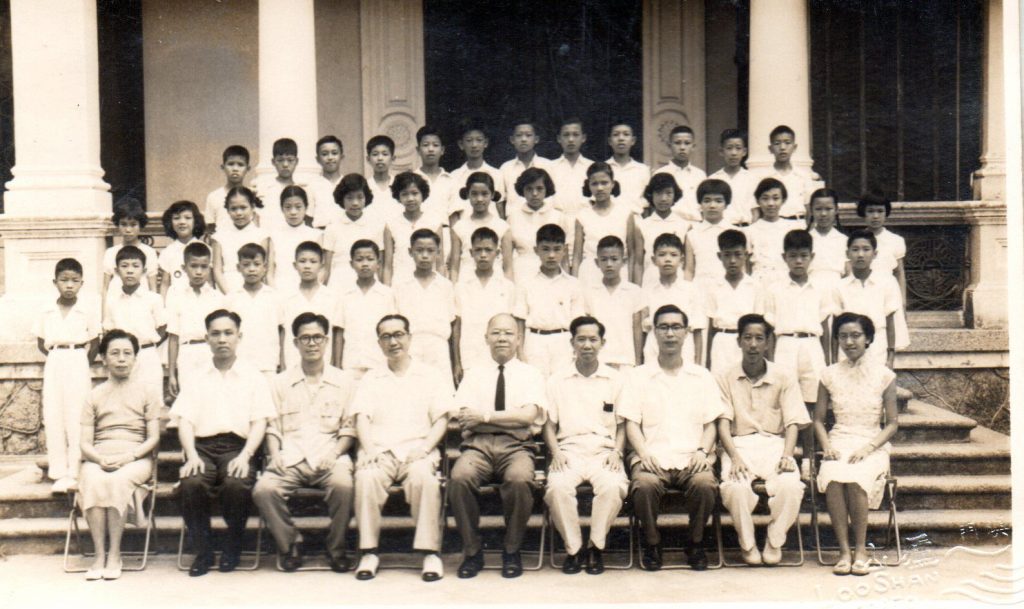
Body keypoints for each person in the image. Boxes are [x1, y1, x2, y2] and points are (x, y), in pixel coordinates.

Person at [170, 309, 276, 577]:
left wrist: (246, 455)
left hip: (237, 448)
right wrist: (191, 455)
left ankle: (233, 545)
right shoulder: (196, 376)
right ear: (206, 338)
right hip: (202, 448)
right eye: (215, 334)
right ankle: (203, 551)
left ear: (239, 336)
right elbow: (185, 421)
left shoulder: (253, 376)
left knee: (236, 484)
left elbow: (260, 422)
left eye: (228, 333)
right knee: (191, 483)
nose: (222, 339)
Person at [617, 304, 722, 571]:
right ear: (654, 332)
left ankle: (695, 542)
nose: (670, 334)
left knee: (704, 484)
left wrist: (702, 451)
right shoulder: (638, 376)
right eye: (663, 327)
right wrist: (643, 453)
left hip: (691, 455)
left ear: (686, 332)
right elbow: (631, 423)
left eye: (676, 327)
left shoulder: (701, 376)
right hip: (652, 455)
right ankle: (652, 542)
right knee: (644, 485)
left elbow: (711, 423)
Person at [350, 314, 452, 582]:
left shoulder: (430, 375)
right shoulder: (371, 378)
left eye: (398, 335)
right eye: (386, 337)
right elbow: (361, 417)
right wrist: (369, 449)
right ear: (379, 343)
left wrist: (426, 448)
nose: (393, 342)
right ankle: (368, 552)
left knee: (424, 480)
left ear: (409, 337)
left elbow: (442, 419)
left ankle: (430, 553)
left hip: (418, 449)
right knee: (366, 477)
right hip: (380, 451)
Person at [252, 312, 357, 573]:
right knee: (264, 489)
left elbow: (349, 427)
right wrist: (275, 454)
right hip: (291, 456)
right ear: (295, 343)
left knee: (344, 485)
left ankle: (336, 548)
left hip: (330, 455)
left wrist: (335, 453)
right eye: (305, 338)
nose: (312, 343)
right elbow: (273, 426)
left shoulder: (344, 381)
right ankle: (290, 544)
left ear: (326, 341)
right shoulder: (279, 382)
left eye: (317, 337)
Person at [449, 313, 548, 579]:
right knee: (459, 477)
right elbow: (465, 422)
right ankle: (472, 551)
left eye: (508, 333)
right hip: (478, 446)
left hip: (517, 447)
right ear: (486, 338)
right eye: (496, 333)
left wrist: (484, 417)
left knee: (519, 479)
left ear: (519, 338)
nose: (502, 338)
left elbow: (528, 417)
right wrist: (510, 421)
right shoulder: (474, 374)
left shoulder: (531, 374)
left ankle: (511, 549)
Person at [716, 314, 809, 565]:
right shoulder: (724, 376)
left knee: (791, 485)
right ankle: (747, 543)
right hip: (739, 444)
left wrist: (787, 455)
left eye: (759, 338)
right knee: (735, 488)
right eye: (747, 338)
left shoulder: (784, 376)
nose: (753, 344)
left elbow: (792, 421)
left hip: (775, 444)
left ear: (768, 343)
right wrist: (734, 457)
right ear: (739, 341)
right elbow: (723, 422)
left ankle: (775, 540)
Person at [814, 312, 899, 576]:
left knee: (857, 477)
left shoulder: (885, 375)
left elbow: (892, 424)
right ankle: (843, 551)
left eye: (855, 335)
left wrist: (868, 448)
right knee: (834, 476)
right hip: (839, 440)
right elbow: (818, 420)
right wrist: (827, 446)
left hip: (871, 442)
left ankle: (860, 550)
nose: (849, 342)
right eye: (843, 336)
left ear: (868, 338)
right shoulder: (828, 374)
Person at [542, 316, 628, 575]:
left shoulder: (615, 379)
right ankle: (574, 549)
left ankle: (595, 547)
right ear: (572, 343)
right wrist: (556, 452)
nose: (587, 345)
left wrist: (617, 452)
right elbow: (548, 424)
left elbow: (622, 424)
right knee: (557, 487)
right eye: (581, 339)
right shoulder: (557, 380)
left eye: (593, 339)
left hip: (604, 451)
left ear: (602, 343)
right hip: (568, 449)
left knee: (612, 486)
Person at [76, 330, 161, 580]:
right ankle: (99, 555)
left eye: (127, 353)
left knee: (118, 480)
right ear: (103, 358)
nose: (121, 359)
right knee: (92, 479)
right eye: (114, 353)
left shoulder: (147, 392)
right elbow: (85, 443)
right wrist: (98, 459)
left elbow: (153, 438)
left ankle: (114, 554)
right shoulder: (94, 395)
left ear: (135, 358)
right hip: (99, 455)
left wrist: (130, 456)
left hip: (136, 456)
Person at [33, 258, 101, 493]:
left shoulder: (86, 310)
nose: (69, 285)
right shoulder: (46, 310)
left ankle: (75, 470)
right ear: (55, 282)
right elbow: (41, 342)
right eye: (64, 280)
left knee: (76, 414)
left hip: (78, 358)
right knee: (53, 414)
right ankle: (58, 471)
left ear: (82, 283)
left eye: (74, 280)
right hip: (55, 359)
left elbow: (95, 342)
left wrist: (80, 361)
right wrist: (57, 356)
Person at [513, 223, 585, 376]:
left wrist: (576, 351)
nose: (551, 255)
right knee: (535, 384)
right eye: (545, 249)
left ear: (564, 250)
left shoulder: (573, 284)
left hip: (564, 342)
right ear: (536, 250)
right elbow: (520, 320)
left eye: (557, 249)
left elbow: (578, 322)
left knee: (562, 385)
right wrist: (520, 352)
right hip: (535, 341)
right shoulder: (526, 283)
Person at [394, 229, 458, 388]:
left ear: (438, 253)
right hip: (411, 346)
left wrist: (455, 361)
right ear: (410, 252)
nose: (424, 255)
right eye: (419, 250)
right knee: (411, 390)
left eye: (430, 251)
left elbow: (452, 322)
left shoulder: (445, 285)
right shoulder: (401, 284)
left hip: (438, 347)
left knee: (441, 391)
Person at [833, 230, 905, 368]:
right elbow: (836, 325)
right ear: (847, 254)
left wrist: (890, 357)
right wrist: (834, 359)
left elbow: (890, 321)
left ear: (875, 254)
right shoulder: (839, 286)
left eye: (866, 249)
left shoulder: (886, 283)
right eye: (855, 249)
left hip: (877, 347)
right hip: (848, 347)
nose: (860, 254)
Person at [103, 246, 166, 391]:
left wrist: (147, 345)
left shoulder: (154, 299)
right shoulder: (112, 301)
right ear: (116, 271)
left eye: (135, 266)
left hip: (147, 356)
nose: (130, 271)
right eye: (124, 266)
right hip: (122, 358)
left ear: (144, 271)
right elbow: (109, 331)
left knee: (150, 397)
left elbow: (163, 328)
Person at [166, 242, 225, 397]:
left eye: (204, 267)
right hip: (187, 353)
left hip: (210, 352)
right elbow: (173, 337)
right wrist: (171, 374)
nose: (199, 272)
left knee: (212, 397)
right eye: (193, 266)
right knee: (189, 398)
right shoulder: (175, 294)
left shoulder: (216, 297)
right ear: (184, 268)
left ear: (209, 268)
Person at [454, 227, 516, 368]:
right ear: (471, 253)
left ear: (497, 253)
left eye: (488, 250)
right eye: (478, 250)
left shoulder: (507, 287)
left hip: (499, 356)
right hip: (469, 353)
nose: (483, 255)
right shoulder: (461, 287)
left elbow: (513, 326)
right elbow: (457, 327)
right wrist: (457, 362)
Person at [333, 240, 397, 377]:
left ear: (378, 263)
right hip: (351, 364)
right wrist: (337, 366)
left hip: (380, 364)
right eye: (359, 259)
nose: (365, 264)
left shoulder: (387, 295)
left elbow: (393, 330)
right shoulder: (344, 295)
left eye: (370, 259)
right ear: (351, 264)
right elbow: (339, 331)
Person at [641, 233, 705, 366]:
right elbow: (643, 330)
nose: (667, 259)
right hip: (654, 348)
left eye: (673, 255)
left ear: (682, 260)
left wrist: (698, 364)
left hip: (684, 349)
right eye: (662, 254)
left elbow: (698, 330)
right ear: (653, 259)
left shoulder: (691, 290)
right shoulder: (647, 291)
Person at [582, 236, 645, 368]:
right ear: (597, 262)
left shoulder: (634, 291)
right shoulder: (589, 292)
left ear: (624, 261)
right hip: (598, 360)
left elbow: (637, 329)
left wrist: (638, 361)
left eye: (614, 259)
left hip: (626, 360)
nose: (609, 264)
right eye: (604, 259)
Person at [703, 229, 760, 374]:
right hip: (721, 342)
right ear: (719, 256)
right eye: (727, 255)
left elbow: (759, 324)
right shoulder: (713, 286)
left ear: (746, 255)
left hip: (746, 342)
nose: (733, 261)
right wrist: (708, 361)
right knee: (720, 381)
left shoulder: (755, 286)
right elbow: (710, 327)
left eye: (738, 254)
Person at [225, 243, 284, 380]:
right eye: (246, 265)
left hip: (268, 364)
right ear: (238, 268)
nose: (252, 269)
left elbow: (281, 330)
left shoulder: (274, 297)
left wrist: (281, 361)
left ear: (265, 267)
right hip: (239, 364)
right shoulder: (231, 298)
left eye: (257, 264)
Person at [572, 161, 637, 287]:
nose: (600, 188)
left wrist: (630, 283)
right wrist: (574, 286)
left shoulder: (625, 213)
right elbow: (576, 256)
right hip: (590, 273)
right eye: (594, 184)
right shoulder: (582, 216)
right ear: (589, 186)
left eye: (604, 183)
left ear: (613, 184)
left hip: (618, 271)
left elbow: (631, 254)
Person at [858, 194, 910, 350]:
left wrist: (903, 302)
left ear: (886, 213)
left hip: (888, 290)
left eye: (880, 211)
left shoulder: (895, 240)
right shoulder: (858, 239)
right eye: (870, 211)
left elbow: (899, 272)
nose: (875, 216)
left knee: (889, 336)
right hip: (866, 290)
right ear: (863, 213)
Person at [279, 241, 341, 370]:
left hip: (324, 363)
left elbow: (336, 333)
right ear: (295, 265)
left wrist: (336, 364)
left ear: (321, 266)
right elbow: (282, 332)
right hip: (292, 362)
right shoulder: (285, 297)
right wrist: (282, 363)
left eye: (313, 262)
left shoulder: (332, 297)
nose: (307, 266)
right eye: (302, 261)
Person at [323, 174, 390, 287]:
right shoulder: (332, 228)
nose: (355, 203)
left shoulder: (376, 226)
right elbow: (326, 268)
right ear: (342, 199)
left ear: (366, 198)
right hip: (339, 284)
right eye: (349, 198)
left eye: (360, 197)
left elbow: (380, 266)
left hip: (368, 284)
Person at [507, 167, 570, 282]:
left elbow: (564, 257)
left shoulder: (558, 217)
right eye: (529, 189)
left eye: (539, 188)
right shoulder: (513, 218)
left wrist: (566, 282)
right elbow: (507, 258)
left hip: (552, 275)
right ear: (522, 190)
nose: (534, 193)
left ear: (547, 189)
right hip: (521, 274)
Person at [449, 172, 512, 282]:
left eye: (484, 194)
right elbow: (454, 267)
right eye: (474, 194)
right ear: (467, 194)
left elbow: (508, 268)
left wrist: (510, 289)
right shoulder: (459, 227)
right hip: (467, 283)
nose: (479, 199)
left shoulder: (502, 227)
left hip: (495, 283)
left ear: (492, 194)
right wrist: (454, 287)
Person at [385, 172, 447, 282]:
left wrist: (441, 287)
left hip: (428, 283)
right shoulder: (391, 224)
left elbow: (440, 263)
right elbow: (388, 267)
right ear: (398, 196)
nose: (410, 198)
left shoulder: (434, 222)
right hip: (400, 283)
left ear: (422, 194)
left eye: (415, 193)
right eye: (404, 194)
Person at [211, 186, 273, 294]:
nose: (238, 213)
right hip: (227, 289)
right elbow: (217, 270)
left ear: (252, 207)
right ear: (227, 210)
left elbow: (263, 270)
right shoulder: (219, 236)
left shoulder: (262, 236)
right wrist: (230, 296)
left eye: (243, 207)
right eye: (233, 208)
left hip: (255, 290)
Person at [634, 173, 691, 285]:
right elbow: (638, 263)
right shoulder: (642, 225)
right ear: (651, 195)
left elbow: (688, 265)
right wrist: (638, 289)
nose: (663, 198)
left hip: (677, 283)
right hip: (650, 282)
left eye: (668, 193)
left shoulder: (685, 225)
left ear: (675, 194)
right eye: (658, 193)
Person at [756, 125, 819, 220]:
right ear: (770, 148)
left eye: (787, 143)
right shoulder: (763, 177)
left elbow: (809, 207)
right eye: (777, 143)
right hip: (773, 224)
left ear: (794, 147)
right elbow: (758, 208)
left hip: (798, 223)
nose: (782, 147)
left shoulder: (803, 175)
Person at [102, 198, 158, 305]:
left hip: (141, 303)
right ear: (118, 225)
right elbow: (105, 288)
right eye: (123, 224)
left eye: (133, 225)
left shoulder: (149, 252)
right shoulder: (110, 252)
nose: (128, 230)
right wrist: (104, 313)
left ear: (140, 225)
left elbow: (153, 287)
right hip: (116, 302)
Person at [745, 178, 801, 285]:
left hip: (786, 280)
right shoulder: (750, 231)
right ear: (757, 201)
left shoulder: (792, 228)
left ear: (783, 200)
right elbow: (747, 265)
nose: (770, 203)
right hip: (760, 281)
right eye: (765, 198)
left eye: (775, 198)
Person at [684, 179, 736, 286]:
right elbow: (689, 270)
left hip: (728, 287)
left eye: (718, 201)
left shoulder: (736, 232)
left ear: (726, 204)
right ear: (700, 204)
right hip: (701, 288)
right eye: (707, 201)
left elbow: (742, 269)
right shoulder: (692, 234)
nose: (712, 205)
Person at [449, 122, 505, 220]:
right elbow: (454, 212)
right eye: (469, 140)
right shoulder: (454, 176)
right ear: (461, 144)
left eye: (479, 140)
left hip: (491, 227)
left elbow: (500, 208)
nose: (474, 145)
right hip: (464, 227)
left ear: (485, 143)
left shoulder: (497, 174)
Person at [270, 186, 322, 290]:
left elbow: (321, 271)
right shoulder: (274, 235)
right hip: (280, 289)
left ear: (306, 207)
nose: (293, 212)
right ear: (281, 208)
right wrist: (275, 292)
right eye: (288, 207)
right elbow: (269, 272)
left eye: (298, 207)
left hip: (307, 290)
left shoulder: (316, 235)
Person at [252, 138, 308, 233]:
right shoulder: (262, 189)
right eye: (280, 160)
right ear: (273, 161)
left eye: (290, 160)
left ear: (296, 161)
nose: (285, 164)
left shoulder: (303, 190)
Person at [652, 125, 706, 222]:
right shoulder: (660, 173)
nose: (682, 147)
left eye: (687, 143)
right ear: (669, 146)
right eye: (677, 143)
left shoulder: (700, 175)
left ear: (693, 146)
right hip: (670, 223)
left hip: (695, 223)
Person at [500, 120, 551, 216]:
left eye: (528, 135)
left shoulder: (547, 165)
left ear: (536, 139)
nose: (523, 139)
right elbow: (501, 200)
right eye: (519, 135)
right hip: (514, 220)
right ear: (512, 140)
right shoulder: (505, 168)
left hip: (544, 219)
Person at [709, 129, 757, 226]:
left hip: (745, 228)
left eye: (738, 148)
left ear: (744, 151)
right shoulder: (712, 179)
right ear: (721, 151)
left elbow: (756, 211)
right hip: (720, 228)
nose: (733, 153)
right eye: (729, 148)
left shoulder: (752, 179)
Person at [158, 200, 207, 298]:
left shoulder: (206, 249)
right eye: (176, 218)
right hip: (176, 300)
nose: (182, 222)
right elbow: (165, 283)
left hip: (199, 299)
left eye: (187, 218)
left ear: (196, 221)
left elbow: (210, 282)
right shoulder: (167, 252)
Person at [548, 117, 593, 220]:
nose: (571, 139)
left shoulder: (591, 167)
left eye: (575, 135)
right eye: (566, 135)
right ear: (559, 138)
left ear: (583, 138)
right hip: (557, 220)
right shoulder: (550, 167)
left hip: (586, 219)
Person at [413, 125, 458, 222]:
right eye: (425, 145)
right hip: (418, 230)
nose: (430, 149)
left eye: (435, 145)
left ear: (442, 150)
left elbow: (454, 216)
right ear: (418, 150)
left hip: (444, 230)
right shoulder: (411, 180)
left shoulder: (451, 181)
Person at [807, 188, 848, 296]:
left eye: (828, 209)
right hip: (810, 291)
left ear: (836, 209)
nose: (823, 213)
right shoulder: (805, 239)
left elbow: (849, 273)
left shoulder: (844, 240)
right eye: (818, 209)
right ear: (811, 210)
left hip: (838, 291)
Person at [605, 122, 651, 214]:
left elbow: (647, 202)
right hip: (609, 218)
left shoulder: (643, 170)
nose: (621, 138)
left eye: (626, 134)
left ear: (633, 140)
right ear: (610, 141)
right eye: (616, 135)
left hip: (636, 218)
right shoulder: (604, 168)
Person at [205, 145, 251, 234]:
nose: (235, 169)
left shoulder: (252, 196)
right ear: (223, 167)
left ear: (248, 168)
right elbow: (210, 228)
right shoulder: (214, 196)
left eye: (240, 165)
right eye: (230, 164)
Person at [309, 135, 345, 228]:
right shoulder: (312, 186)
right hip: (320, 232)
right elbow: (308, 217)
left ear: (342, 156)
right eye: (324, 154)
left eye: (334, 153)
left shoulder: (348, 184)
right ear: (318, 159)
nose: (330, 157)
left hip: (345, 232)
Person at [365, 135, 397, 212]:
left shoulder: (399, 185)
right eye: (375, 154)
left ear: (393, 158)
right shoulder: (365, 186)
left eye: (385, 154)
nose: (380, 158)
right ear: (368, 159)